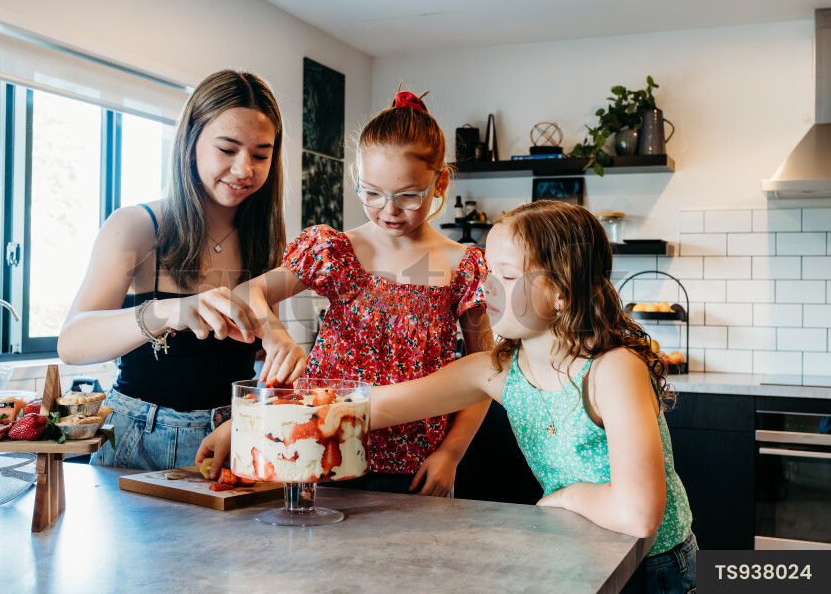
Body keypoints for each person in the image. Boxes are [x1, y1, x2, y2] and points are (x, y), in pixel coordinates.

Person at [364, 200, 696, 593]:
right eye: (488, 271)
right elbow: (374, 407)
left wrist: (565, 497)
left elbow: (639, 515)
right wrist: (292, 411)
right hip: (578, 552)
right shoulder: (497, 370)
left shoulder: (614, 369)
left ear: (561, 292)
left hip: (652, 567)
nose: (484, 286)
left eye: (505, 275)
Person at [198, 88, 492, 496]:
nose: (388, 210)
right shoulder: (335, 249)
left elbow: (486, 371)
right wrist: (275, 332)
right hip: (315, 447)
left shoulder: (465, 266)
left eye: (408, 195)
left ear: (439, 182)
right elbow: (249, 292)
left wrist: (452, 454)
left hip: (414, 465)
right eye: (371, 192)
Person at [58, 69, 287, 470]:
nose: (244, 168)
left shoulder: (266, 240)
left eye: (261, 155)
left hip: (233, 437)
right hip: (139, 438)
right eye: (227, 149)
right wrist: (167, 312)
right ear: (190, 144)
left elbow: (262, 362)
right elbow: (72, 344)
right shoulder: (137, 226)